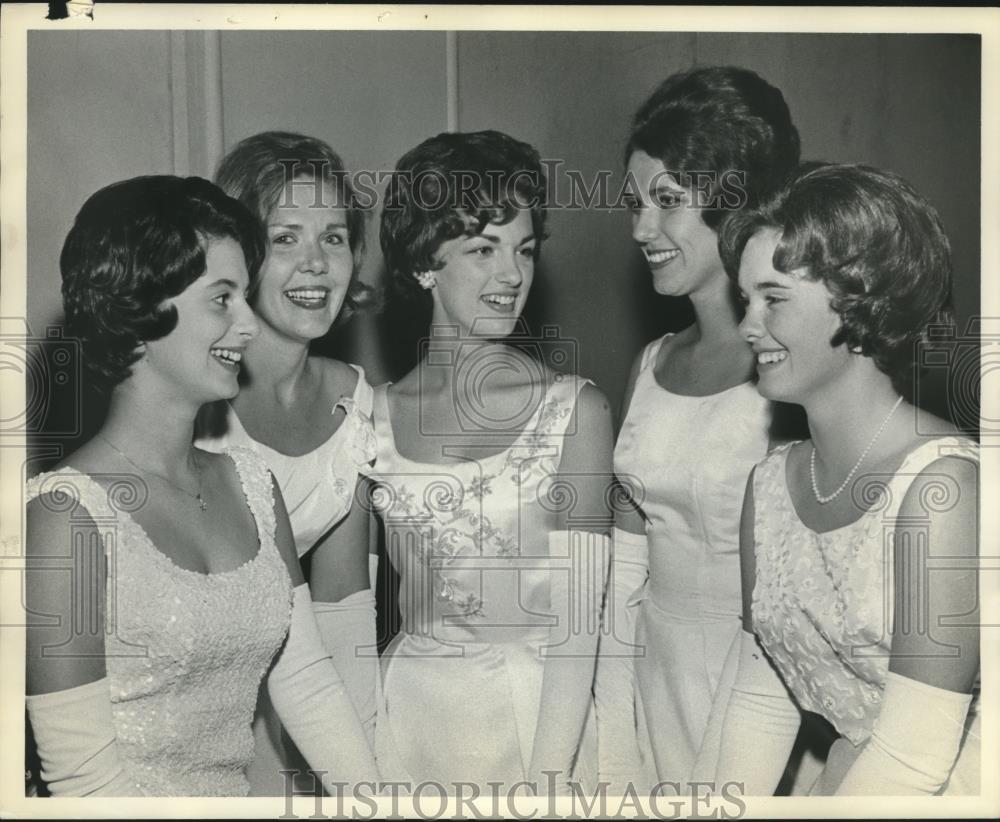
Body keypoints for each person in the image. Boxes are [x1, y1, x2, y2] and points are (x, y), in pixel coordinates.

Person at [24, 176, 379, 796]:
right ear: (140, 311)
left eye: (245, 295)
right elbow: (84, 783)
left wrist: (383, 803)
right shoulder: (63, 517)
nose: (247, 324)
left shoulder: (251, 483)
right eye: (222, 300)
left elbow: (308, 681)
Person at [705, 163, 979, 795]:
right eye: (745, 299)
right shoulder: (770, 486)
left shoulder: (946, 493)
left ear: (861, 299)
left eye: (773, 298)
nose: (748, 327)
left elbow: (914, 757)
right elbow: (758, 702)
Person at [369, 130, 613, 792]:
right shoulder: (371, 417)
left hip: (544, 730)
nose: (513, 275)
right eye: (483, 249)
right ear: (424, 263)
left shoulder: (574, 411)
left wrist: (551, 785)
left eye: (525, 251)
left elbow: (577, 627)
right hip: (412, 726)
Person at [595, 66, 803, 790]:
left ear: (732, 199)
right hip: (651, 681)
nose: (642, 230)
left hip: (757, 698)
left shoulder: (791, 376)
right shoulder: (652, 363)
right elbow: (626, 570)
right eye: (635, 205)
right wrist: (612, 737)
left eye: (668, 203)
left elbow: (785, 606)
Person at [196, 132, 380, 795]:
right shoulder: (198, 411)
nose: (315, 264)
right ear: (236, 258)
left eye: (334, 238)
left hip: (308, 706)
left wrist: (366, 772)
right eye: (285, 239)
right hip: (199, 720)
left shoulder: (353, 402)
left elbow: (343, 611)